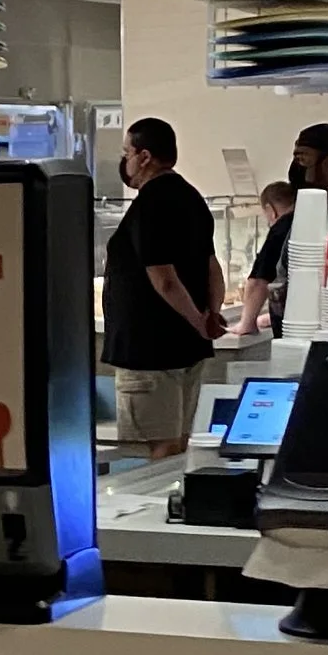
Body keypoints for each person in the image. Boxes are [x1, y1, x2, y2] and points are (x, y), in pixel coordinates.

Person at [101, 116, 223, 454]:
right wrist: (211, 316)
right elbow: (213, 268)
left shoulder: (150, 204)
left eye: (126, 152)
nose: (124, 160)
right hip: (187, 349)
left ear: (144, 157)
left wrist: (199, 322)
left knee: (153, 452)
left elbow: (164, 280)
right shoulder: (192, 198)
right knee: (177, 449)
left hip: (149, 352)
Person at [243, 124, 328, 339]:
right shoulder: (296, 218)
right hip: (301, 332)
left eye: (303, 158)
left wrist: (247, 323)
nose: (297, 167)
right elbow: (265, 276)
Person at [234, 182, 298, 336]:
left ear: (270, 210)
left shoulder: (281, 228)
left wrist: (247, 323)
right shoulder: (308, 220)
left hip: (293, 330)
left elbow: (259, 281)